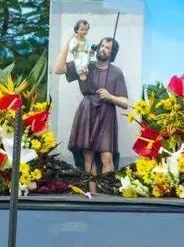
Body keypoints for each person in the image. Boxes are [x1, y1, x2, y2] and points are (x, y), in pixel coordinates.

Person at [54, 35, 130, 189]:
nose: (103, 49)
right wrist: (68, 45)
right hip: (87, 111)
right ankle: (92, 196)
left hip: (106, 114)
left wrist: (110, 97)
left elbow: (125, 103)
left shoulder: (116, 73)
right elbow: (58, 69)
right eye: (102, 45)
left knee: (106, 157)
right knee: (88, 157)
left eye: (108, 47)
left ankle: (108, 196)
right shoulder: (85, 65)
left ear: (113, 52)